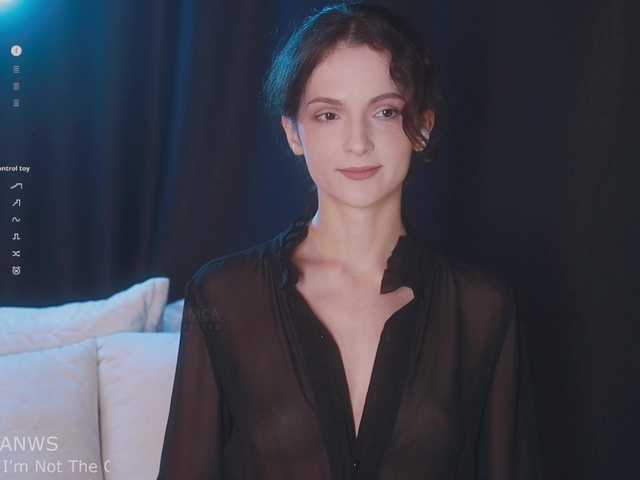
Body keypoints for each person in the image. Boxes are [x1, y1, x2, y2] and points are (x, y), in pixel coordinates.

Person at [157, 2, 540, 479]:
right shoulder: (223, 296)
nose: (358, 142)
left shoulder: (483, 309)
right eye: (328, 115)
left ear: (422, 126)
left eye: (385, 111)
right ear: (293, 132)